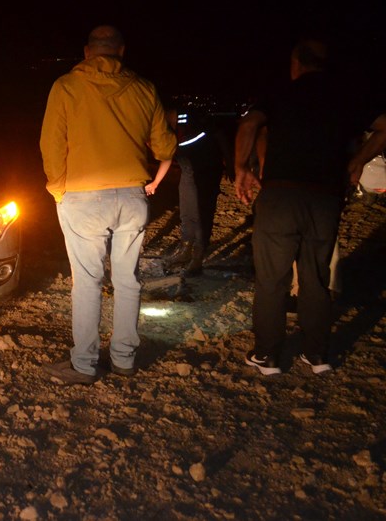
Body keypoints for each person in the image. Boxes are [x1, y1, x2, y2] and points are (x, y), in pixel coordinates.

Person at [234, 37, 386, 376]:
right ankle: (317, 355)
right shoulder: (347, 96)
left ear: (296, 64)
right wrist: (360, 160)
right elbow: (384, 127)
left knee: (272, 278)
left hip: (281, 195)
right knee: (316, 278)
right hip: (324, 197)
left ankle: (268, 356)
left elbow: (248, 124)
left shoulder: (281, 93)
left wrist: (241, 169)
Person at [39, 25, 177, 384]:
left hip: (82, 197)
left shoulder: (66, 87)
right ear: (122, 51)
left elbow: (52, 146)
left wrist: (58, 189)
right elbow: (165, 148)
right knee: (128, 279)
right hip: (131, 195)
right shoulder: (144, 89)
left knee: (87, 281)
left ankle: (84, 364)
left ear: (87, 52)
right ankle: (124, 359)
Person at [163, 101, 235, 276]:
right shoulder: (165, 122)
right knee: (187, 211)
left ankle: (198, 256)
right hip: (188, 168)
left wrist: (231, 164)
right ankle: (186, 248)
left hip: (207, 169)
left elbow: (219, 135)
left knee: (202, 212)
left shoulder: (192, 117)